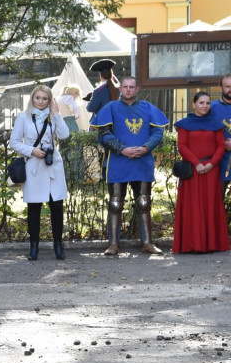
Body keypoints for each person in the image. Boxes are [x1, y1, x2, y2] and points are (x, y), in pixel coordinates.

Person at [90, 76, 169, 256]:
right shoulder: (110, 108)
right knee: (115, 203)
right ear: (120, 89)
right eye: (124, 87)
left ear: (137, 88)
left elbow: (158, 131)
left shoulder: (148, 108)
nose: (128, 90)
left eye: (131, 87)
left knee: (144, 202)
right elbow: (104, 134)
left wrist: (145, 147)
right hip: (118, 161)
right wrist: (122, 149)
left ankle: (148, 243)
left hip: (142, 161)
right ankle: (113, 244)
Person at [9, 85, 70, 260]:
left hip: (53, 166)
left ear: (50, 100)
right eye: (38, 98)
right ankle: (33, 246)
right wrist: (31, 150)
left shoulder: (53, 116)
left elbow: (65, 135)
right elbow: (14, 142)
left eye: (45, 99)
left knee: (57, 206)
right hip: (34, 166)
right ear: (32, 99)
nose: (41, 101)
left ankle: (58, 245)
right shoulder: (24, 117)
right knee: (34, 208)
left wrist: (57, 114)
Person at [172, 92, 230, 254]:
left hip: (211, 170)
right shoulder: (185, 124)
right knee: (193, 206)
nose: (205, 106)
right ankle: (192, 244)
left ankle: (211, 244)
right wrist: (197, 164)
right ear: (194, 105)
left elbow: (220, 146)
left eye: (207, 103)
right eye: (201, 103)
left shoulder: (216, 124)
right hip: (193, 171)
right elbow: (182, 146)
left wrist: (211, 164)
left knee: (210, 205)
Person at [210, 74, 231, 198]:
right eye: (227, 86)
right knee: (216, 201)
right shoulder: (210, 108)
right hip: (219, 161)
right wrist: (223, 143)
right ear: (220, 88)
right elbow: (202, 132)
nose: (230, 89)